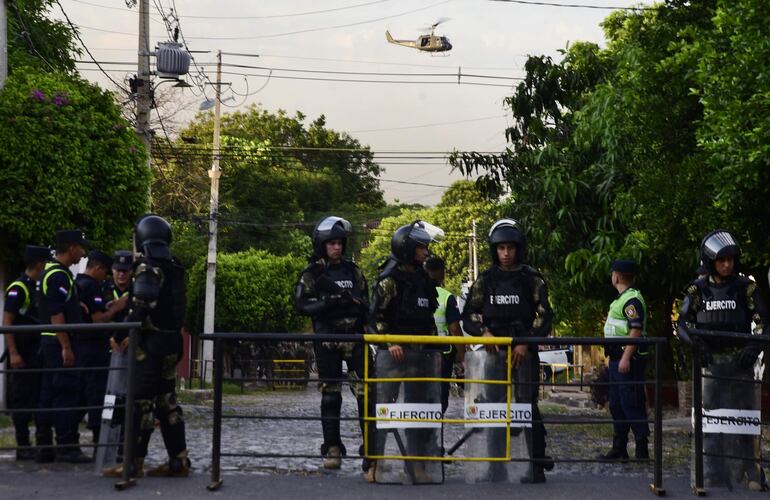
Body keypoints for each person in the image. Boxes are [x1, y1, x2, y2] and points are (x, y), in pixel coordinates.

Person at [462, 218, 554, 483]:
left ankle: (536, 464)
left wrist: (527, 341)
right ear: (494, 250)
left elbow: (545, 314)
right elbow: (470, 313)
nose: (506, 253)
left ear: (518, 249)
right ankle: (496, 464)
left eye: (510, 248)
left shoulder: (530, 278)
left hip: (523, 351)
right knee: (494, 408)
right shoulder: (486, 279)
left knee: (528, 407)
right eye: (501, 248)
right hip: (492, 354)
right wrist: (484, 334)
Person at [678, 230, 769, 491]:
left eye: (730, 259)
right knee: (711, 418)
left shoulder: (746, 288)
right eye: (721, 260)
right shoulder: (698, 290)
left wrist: (754, 345)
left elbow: (763, 321)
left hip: (741, 363)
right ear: (710, 261)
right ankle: (711, 471)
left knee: (744, 418)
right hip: (710, 365)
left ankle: (750, 472)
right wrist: (697, 345)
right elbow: (683, 324)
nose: (727, 264)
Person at [108, 214, 189, 478]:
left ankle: (133, 463)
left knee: (140, 403)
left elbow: (143, 301)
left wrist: (122, 331)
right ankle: (178, 461)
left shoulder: (148, 266)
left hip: (150, 345)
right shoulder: (175, 266)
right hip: (171, 342)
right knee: (167, 402)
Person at [368, 220, 444, 484]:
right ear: (408, 248)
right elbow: (373, 318)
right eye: (422, 248)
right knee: (383, 411)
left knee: (418, 413)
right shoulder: (389, 280)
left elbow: (429, 318)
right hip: (392, 357)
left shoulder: (424, 279)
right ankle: (375, 464)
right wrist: (390, 342)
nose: (426, 253)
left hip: (420, 357)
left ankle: (416, 466)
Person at [294, 216, 372, 473]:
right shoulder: (313, 273)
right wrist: (327, 303)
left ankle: (371, 448)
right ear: (322, 245)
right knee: (330, 395)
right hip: (327, 338)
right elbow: (300, 304)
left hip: (355, 337)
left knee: (365, 394)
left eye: (339, 243)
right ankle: (332, 448)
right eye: (331, 243)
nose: (337, 248)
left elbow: (366, 303)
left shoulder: (353, 271)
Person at [37, 229, 91, 463]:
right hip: (58, 344)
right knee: (66, 394)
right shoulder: (57, 275)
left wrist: (77, 308)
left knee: (50, 395)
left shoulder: (52, 272)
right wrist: (66, 347)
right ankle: (67, 445)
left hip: (52, 342)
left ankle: (45, 446)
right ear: (71, 248)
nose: (83, 252)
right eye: (81, 247)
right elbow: (56, 313)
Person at [598, 259, 649, 461]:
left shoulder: (631, 300)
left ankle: (642, 450)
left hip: (628, 360)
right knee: (617, 405)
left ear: (616, 276)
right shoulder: (622, 299)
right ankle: (619, 448)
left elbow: (635, 330)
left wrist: (626, 358)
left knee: (631, 403)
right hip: (617, 360)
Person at [75, 250, 128, 444]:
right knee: (98, 395)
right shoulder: (91, 286)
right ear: (98, 268)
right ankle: (100, 440)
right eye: (108, 271)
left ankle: (75, 440)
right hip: (94, 349)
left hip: (83, 348)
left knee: (84, 394)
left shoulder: (78, 283)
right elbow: (98, 320)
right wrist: (117, 308)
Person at [3, 245, 50, 460]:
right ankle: (23, 445)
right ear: (39, 264)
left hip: (36, 352)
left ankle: (35, 444)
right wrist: (13, 353)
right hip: (22, 354)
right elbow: (7, 322)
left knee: (36, 397)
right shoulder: (18, 288)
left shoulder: (36, 287)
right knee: (22, 400)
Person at [423, 256, 464, 413]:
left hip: (420, 354)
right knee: (439, 400)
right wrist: (462, 357)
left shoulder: (416, 291)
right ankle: (432, 434)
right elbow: (455, 330)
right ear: (442, 274)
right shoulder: (446, 296)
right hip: (442, 356)